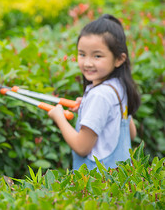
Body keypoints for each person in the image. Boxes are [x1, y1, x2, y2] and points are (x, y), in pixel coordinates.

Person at [48, 14, 140, 171]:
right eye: (82, 54)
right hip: (122, 179)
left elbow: (82, 147)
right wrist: (87, 106)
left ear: (119, 59)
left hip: (97, 184)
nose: (87, 63)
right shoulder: (119, 87)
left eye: (97, 56)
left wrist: (59, 118)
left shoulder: (100, 96)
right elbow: (131, 134)